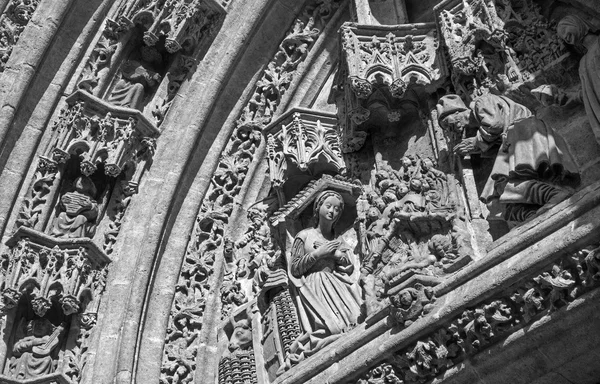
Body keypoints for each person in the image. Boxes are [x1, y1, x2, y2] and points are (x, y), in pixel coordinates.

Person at [437, 94, 580, 221]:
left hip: (524, 132)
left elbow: (496, 124)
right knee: (495, 199)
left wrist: (475, 143)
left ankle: (555, 195)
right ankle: (531, 215)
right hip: (513, 140)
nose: (449, 129)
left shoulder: (481, 102)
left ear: (457, 112)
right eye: (445, 128)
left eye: (447, 123)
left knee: (505, 183)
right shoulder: (480, 125)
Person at [279, 190, 363, 372]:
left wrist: (339, 256)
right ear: (318, 208)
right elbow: (294, 268)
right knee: (331, 328)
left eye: (337, 209)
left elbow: (349, 266)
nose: (332, 211)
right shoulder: (305, 236)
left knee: (355, 319)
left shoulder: (338, 240)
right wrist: (318, 254)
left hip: (337, 283)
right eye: (329, 206)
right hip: (315, 284)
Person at [537, 15, 600, 147]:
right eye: (561, 36)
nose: (565, 36)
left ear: (578, 23)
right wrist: (563, 97)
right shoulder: (583, 64)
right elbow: (589, 95)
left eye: (565, 28)